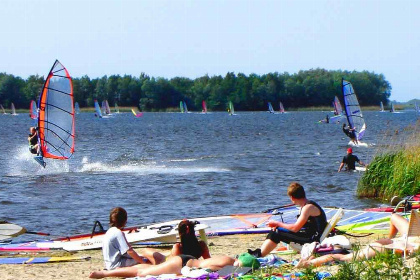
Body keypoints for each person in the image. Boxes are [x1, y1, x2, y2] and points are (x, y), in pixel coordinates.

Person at [296, 213, 417, 268]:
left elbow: (394, 217)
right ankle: (308, 263)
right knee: (345, 258)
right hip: (395, 245)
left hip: (399, 242)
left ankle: (309, 262)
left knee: (345, 258)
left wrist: (391, 240)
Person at [248, 182, 327, 257]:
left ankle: (260, 254)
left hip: (312, 239)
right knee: (277, 229)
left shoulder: (307, 208)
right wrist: (278, 226)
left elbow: (295, 228)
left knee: (277, 232)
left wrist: (277, 223)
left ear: (292, 197)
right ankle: (259, 252)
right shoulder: (307, 205)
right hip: (309, 234)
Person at [89, 252, 259, 279]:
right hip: (182, 263)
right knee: (142, 273)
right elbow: (209, 271)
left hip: (186, 259)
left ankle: (106, 273)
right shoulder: (229, 265)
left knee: (146, 270)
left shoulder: (227, 257)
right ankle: (104, 274)